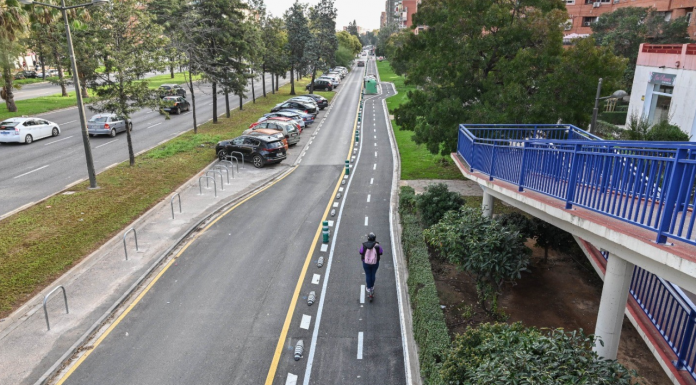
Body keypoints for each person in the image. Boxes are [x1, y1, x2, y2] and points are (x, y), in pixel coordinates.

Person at [359, 232, 384, 300]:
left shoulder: (364, 245)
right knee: (373, 274)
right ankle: (372, 287)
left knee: (368, 274)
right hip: (375, 263)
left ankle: (368, 288)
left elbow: (360, 252)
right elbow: (381, 252)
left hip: (366, 263)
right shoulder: (377, 246)